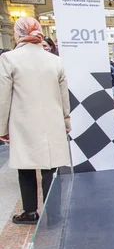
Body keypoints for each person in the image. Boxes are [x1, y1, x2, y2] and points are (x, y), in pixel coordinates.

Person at [0, 17, 71, 224]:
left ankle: (30, 213)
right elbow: (63, 95)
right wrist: (66, 120)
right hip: (52, 120)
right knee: (50, 169)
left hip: (23, 122)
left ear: (18, 34)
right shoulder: (55, 60)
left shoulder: (9, 59)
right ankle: (54, 216)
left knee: (26, 168)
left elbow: (3, 98)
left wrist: (2, 127)